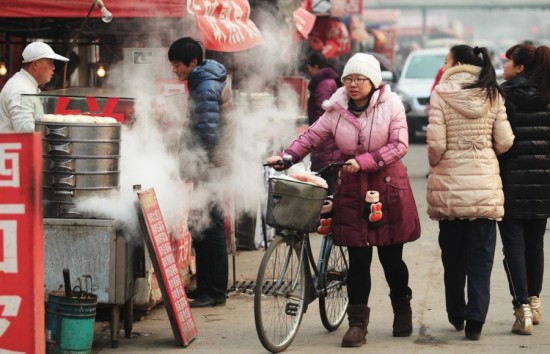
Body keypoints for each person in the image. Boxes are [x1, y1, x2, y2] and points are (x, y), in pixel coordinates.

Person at [268, 53, 421, 347]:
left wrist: (364, 161)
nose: (352, 84)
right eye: (348, 78)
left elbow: (400, 144)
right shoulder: (336, 108)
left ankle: (402, 309)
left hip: (387, 187)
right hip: (351, 188)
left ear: (374, 82)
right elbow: (312, 135)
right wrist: (287, 157)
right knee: (358, 260)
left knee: (392, 259)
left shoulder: (392, 106)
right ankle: (357, 325)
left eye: (360, 79)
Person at [426, 45, 515, 340]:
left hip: (450, 186)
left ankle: (456, 313)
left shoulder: (441, 92)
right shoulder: (493, 93)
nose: (444, 63)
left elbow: (436, 144)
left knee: (453, 258)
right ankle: (476, 320)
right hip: (484, 188)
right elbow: (504, 141)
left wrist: (439, 163)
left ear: (458, 63)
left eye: (446, 59)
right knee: (481, 258)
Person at [168, 37, 231, 308]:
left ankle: (214, 291)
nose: (174, 70)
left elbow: (206, 134)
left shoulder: (205, 86)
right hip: (210, 163)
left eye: (177, 65)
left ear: (192, 63)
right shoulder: (203, 81)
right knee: (200, 223)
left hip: (211, 164)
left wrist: (193, 166)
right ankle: (206, 285)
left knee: (211, 224)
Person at [497, 43, 550, 335]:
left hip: (510, 181)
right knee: (535, 245)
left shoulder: (504, 96)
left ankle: (522, 311)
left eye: (507, 63)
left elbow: (500, 140)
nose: (503, 67)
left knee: (514, 247)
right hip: (543, 181)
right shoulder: (548, 95)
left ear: (519, 68)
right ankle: (535, 303)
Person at [0, 41, 69, 132]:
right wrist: (54, 131)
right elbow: (25, 129)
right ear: (35, 64)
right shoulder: (21, 89)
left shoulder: (24, 84)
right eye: (50, 62)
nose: (53, 67)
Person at [305, 52, 341, 194]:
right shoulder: (328, 81)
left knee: (326, 188)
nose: (309, 73)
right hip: (328, 145)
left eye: (309, 69)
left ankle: (328, 214)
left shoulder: (323, 84)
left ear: (315, 67)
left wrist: (314, 135)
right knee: (327, 185)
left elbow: (323, 115)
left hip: (326, 145)